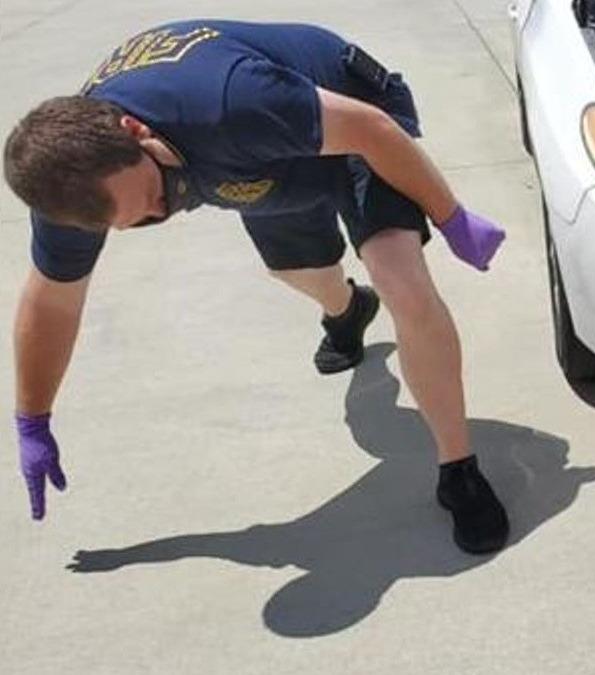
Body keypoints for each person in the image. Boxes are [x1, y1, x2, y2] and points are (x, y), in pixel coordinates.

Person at [4, 20, 509, 554]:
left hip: (348, 115)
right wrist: (32, 419)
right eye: (139, 222)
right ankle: (346, 310)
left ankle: (459, 470)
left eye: (158, 195)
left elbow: (372, 129)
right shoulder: (69, 189)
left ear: (134, 131)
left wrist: (451, 218)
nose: (161, 211)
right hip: (252, 165)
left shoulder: (229, 102)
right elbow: (53, 303)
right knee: (298, 273)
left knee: (402, 282)